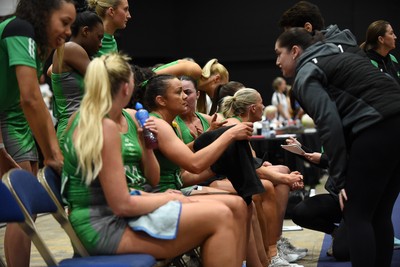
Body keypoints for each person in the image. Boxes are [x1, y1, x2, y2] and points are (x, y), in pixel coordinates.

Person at [61, 53, 248, 266]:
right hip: (103, 226)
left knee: (232, 206)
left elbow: (150, 180)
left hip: (126, 208)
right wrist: (168, 198)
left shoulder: (109, 118)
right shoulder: (103, 127)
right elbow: (122, 204)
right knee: (221, 215)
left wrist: (146, 147)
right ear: (126, 88)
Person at [275, 27, 400, 267]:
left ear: (294, 51)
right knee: (379, 212)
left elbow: (329, 124)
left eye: (279, 53)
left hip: (375, 125)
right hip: (394, 119)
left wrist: (339, 178)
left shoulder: (305, 73)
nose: (277, 61)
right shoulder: (341, 51)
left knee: (356, 214)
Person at [0, 1, 75, 266]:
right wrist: (52, 155)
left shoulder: (40, 45)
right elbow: (30, 99)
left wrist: (53, 154)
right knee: (18, 202)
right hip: (8, 116)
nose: (68, 32)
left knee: (21, 204)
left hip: (11, 118)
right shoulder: (19, 29)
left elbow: (35, 106)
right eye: (64, 22)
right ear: (44, 14)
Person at [219, 88, 306, 267]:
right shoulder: (234, 126)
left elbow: (250, 162)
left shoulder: (242, 125)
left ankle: (275, 243)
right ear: (252, 108)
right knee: (267, 184)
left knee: (282, 170)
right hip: (218, 178)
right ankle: (270, 252)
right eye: (261, 103)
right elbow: (248, 167)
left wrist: (282, 176)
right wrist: (287, 179)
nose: (264, 106)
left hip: (232, 174)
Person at [51, 10, 104, 148]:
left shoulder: (68, 50)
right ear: (85, 31)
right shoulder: (71, 48)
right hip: (73, 131)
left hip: (77, 128)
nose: (101, 44)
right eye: (99, 37)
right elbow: (104, 82)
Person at [278, 1, 365, 57]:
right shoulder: (344, 42)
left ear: (307, 28)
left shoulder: (324, 55)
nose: (289, 42)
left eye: (291, 35)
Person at [360, 20, 400, 85]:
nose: (395, 37)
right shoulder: (368, 63)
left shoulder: (393, 58)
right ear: (381, 39)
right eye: (391, 33)